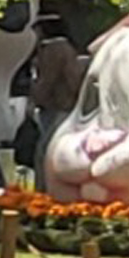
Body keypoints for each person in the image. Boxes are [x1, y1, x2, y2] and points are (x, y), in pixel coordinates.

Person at [25, 11, 87, 178]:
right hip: (63, 105)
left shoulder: (55, 48)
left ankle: (44, 190)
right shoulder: (66, 47)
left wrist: (35, 98)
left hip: (57, 106)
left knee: (46, 151)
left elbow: (47, 79)